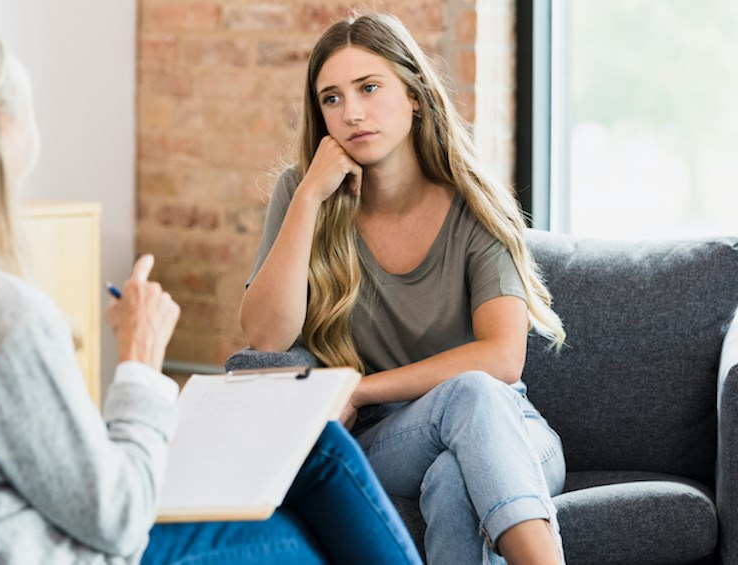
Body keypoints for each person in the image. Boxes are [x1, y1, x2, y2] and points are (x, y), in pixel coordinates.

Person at [0, 21, 423, 565]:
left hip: (16, 534)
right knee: (310, 516)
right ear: (3, 129)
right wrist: (138, 361)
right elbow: (117, 519)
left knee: (314, 447)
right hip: (71, 550)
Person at [240, 12, 567, 565]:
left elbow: (503, 358)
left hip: (511, 430)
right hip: (390, 441)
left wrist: (357, 389)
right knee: (467, 400)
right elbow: (266, 335)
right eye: (332, 99)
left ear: (414, 93)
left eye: (369, 88)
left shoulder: (474, 203)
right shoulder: (303, 194)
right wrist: (307, 200)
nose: (352, 113)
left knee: (456, 467)